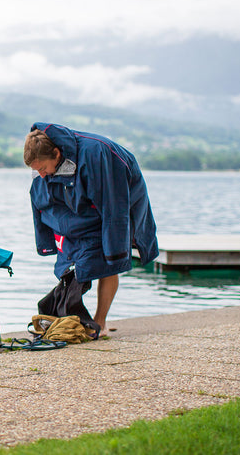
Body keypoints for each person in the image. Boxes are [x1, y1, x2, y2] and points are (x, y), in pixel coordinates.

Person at [24, 122, 159, 337]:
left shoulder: (97, 154)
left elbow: (113, 207)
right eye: (36, 170)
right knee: (72, 257)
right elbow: (44, 205)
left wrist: (117, 248)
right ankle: (71, 316)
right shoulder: (44, 169)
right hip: (80, 202)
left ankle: (100, 322)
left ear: (57, 154)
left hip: (117, 196)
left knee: (109, 257)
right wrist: (49, 241)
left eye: (42, 168)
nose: (41, 175)